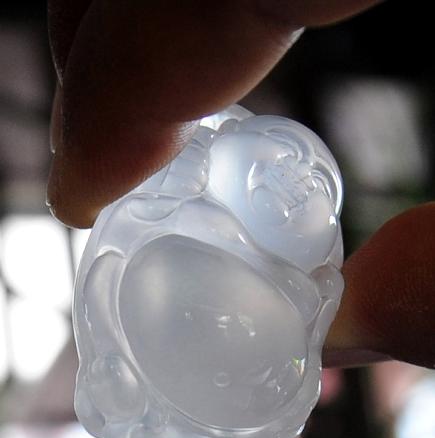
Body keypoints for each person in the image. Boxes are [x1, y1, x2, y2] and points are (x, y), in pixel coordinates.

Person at [46, 0, 435, 370]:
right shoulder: (190, 179)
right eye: (284, 163)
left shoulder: (301, 279)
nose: (291, 183)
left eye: (313, 186)